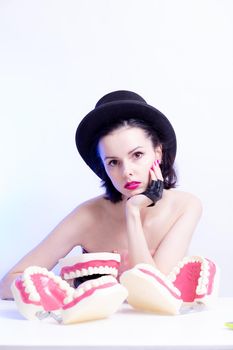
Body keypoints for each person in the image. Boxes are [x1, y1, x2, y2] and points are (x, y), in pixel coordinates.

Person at [0, 90, 202, 300]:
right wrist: (65, 289)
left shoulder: (185, 207)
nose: (127, 172)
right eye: (113, 162)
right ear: (104, 167)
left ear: (157, 152)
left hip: (160, 331)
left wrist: (132, 212)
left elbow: (154, 293)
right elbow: (7, 284)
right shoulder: (88, 215)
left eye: (137, 155)